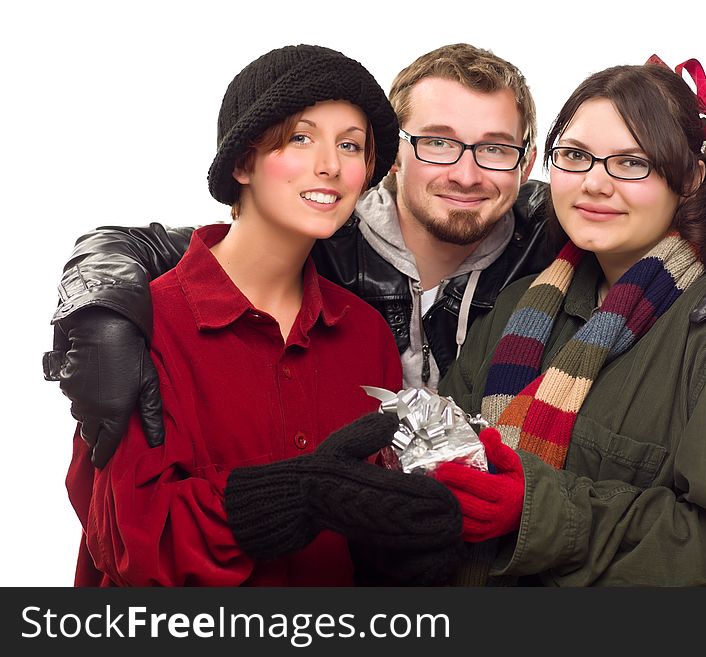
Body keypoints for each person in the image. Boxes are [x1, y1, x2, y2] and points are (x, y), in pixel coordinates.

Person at [43, 44, 706, 468]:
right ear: (392, 154)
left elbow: (666, 196)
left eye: (495, 148)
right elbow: (142, 246)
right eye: (437, 142)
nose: (464, 171)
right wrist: (98, 307)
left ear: (528, 162)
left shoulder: (552, 230)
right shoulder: (323, 228)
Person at [65, 44, 463, 586]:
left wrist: (407, 544)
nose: (331, 165)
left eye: (351, 146)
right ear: (241, 161)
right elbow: (130, 542)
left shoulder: (364, 332)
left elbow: (361, 534)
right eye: (301, 138)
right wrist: (296, 496)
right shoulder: (147, 323)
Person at [434, 56, 706, 586]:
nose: (594, 184)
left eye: (632, 162)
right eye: (575, 156)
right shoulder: (518, 304)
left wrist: (536, 512)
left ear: (692, 176)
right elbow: (439, 450)